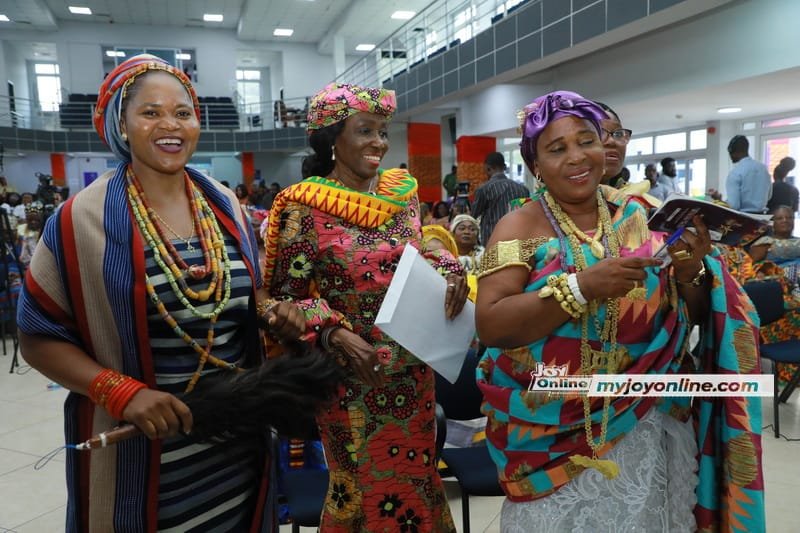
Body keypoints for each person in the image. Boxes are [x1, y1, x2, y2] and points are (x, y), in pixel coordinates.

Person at [16, 54, 311, 531]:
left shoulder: (225, 206)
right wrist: (120, 392)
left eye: (182, 112)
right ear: (122, 124)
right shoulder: (79, 221)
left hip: (237, 443)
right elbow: (37, 336)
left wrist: (273, 310)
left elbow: (241, 293)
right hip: (140, 452)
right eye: (150, 112)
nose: (170, 125)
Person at [475, 90, 764, 531]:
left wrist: (689, 270)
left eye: (587, 140)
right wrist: (581, 286)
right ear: (535, 165)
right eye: (557, 149)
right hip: (548, 430)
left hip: (643, 424)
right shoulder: (519, 225)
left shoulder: (644, 216)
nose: (578, 157)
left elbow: (694, 314)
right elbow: (491, 324)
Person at [261, 82, 469, 532]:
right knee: (358, 486)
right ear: (331, 139)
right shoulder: (302, 206)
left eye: (382, 131)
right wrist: (334, 333)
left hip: (414, 371)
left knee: (419, 479)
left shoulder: (401, 195)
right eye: (365, 131)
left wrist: (451, 267)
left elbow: (420, 249)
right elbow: (282, 299)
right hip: (349, 378)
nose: (379, 142)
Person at [471, 151, 530, 244]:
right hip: (519, 239)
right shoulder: (523, 189)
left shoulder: (485, 189)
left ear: (488, 168)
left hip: (493, 240)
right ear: (504, 167)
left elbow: (473, 216)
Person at [715, 135, 771, 213]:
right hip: (761, 218)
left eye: (730, 153)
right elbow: (769, 196)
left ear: (733, 152)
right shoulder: (763, 168)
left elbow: (734, 206)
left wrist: (719, 201)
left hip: (744, 218)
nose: (730, 156)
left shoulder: (735, 173)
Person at [595, 102, 632, 188]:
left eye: (619, 134)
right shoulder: (558, 199)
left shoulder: (635, 199)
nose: (612, 141)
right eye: (600, 133)